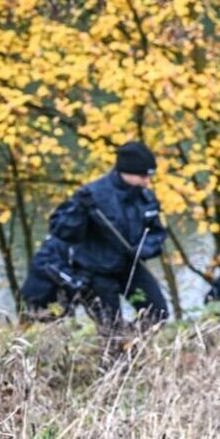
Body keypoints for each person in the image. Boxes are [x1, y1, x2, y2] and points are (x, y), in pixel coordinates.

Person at [37, 141, 171, 329]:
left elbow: (157, 233)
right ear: (127, 171)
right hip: (95, 273)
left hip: (130, 267)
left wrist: (143, 249)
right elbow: (62, 231)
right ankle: (118, 350)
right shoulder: (91, 195)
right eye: (143, 175)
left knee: (158, 314)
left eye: (149, 176)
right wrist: (79, 211)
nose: (147, 181)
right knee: (110, 328)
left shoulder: (145, 198)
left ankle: (134, 344)